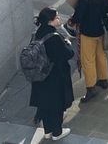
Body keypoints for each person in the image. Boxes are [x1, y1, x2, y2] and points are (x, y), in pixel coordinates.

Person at [29, 8, 74, 141]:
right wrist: (68, 44)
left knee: (45, 103)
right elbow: (66, 54)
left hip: (39, 74)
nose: (59, 19)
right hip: (54, 75)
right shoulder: (54, 37)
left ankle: (48, 131)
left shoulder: (37, 33)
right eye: (57, 17)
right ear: (51, 21)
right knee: (56, 103)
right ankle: (57, 132)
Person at [70, 0, 108, 103]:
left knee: (88, 60)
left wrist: (72, 20)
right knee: (101, 55)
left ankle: (91, 87)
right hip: (101, 31)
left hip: (87, 33)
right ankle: (103, 79)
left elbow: (78, 17)